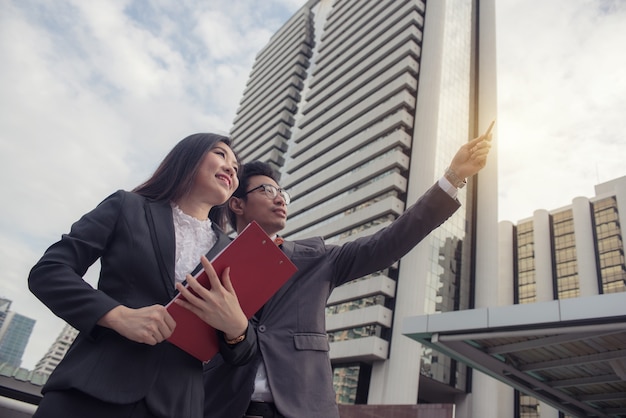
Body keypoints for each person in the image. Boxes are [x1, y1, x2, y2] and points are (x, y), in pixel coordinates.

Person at [203, 130, 493, 418]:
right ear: (237, 204)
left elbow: (389, 242)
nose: (280, 199)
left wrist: (453, 177)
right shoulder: (208, 260)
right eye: (267, 191)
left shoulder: (317, 258)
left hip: (303, 409)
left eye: (282, 193)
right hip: (222, 406)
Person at [28, 133, 257, 418]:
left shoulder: (234, 253)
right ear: (188, 157)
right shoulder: (127, 206)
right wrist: (116, 315)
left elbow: (245, 353)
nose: (231, 168)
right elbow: (49, 272)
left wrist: (237, 329)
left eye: (236, 167)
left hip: (175, 406)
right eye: (221, 155)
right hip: (90, 392)